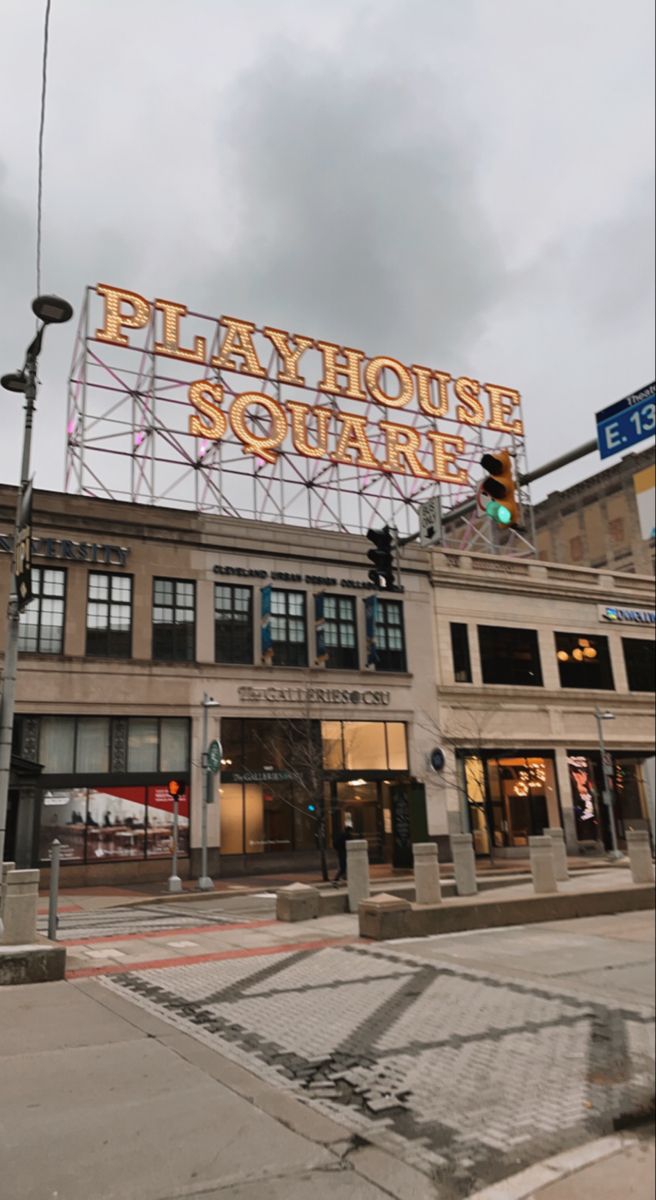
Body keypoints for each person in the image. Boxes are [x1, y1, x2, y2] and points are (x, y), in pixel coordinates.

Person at [333, 820, 354, 885]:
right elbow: (351, 844)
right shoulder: (348, 836)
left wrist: (338, 849)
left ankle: (343, 877)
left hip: (341, 852)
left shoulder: (341, 835)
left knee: (343, 866)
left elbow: (335, 843)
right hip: (345, 852)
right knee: (344, 867)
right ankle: (337, 879)